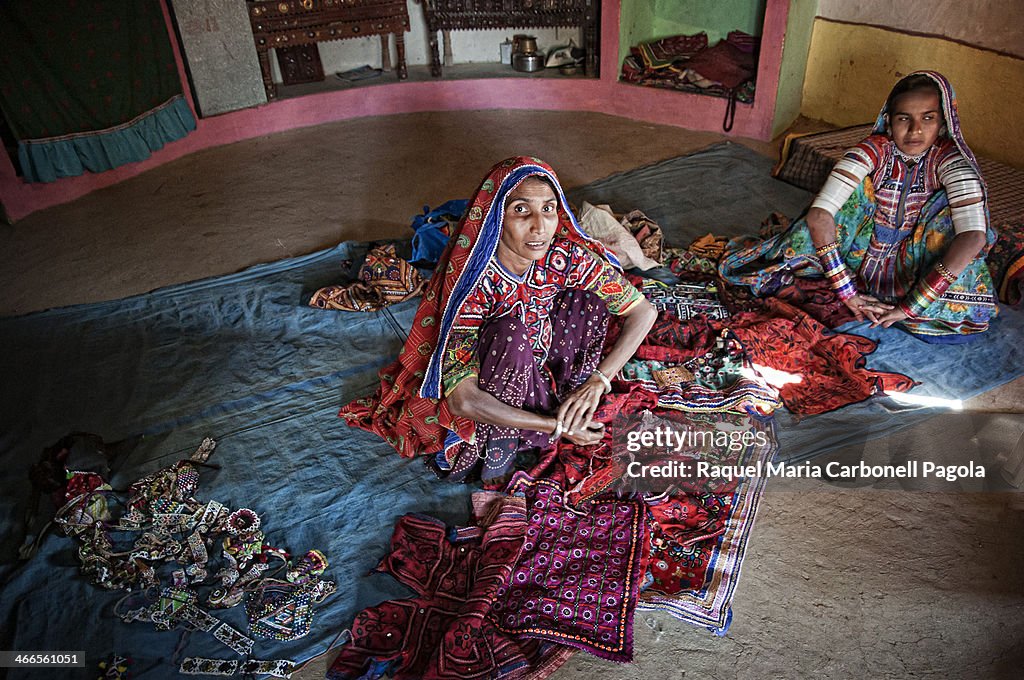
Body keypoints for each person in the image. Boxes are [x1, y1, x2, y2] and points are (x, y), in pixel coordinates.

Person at [341, 157, 657, 485]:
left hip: (546, 369)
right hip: (497, 391)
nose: (539, 226)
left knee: (589, 299)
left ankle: (569, 401)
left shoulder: (560, 256)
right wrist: (557, 427)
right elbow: (462, 399)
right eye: (522, 211)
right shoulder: (474, 284)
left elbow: (643, 312)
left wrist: (598, 381)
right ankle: (511, 443)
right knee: (510, 332)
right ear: (496, 217)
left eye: (549, 209)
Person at [720, 70, 997, 343]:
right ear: (888, 122)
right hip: (861, 256)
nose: (915, 130)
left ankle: (910, 307)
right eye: (904, 119)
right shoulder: (873, 150)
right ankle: (860, 290)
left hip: (919, 265)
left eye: (928, 118)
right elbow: (819, 216)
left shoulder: (950, 161)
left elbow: (973, 236)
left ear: (943, 124)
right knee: (851, 194)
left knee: (953, 220)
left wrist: (910, 307)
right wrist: (846, 291)